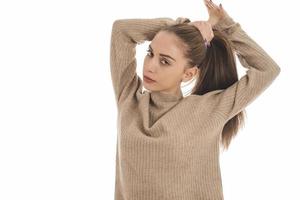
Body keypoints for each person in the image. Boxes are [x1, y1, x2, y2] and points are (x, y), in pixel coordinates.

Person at [109, 0, 281, 199]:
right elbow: (121, 30)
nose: (150, 66)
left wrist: (227, 27)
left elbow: (268, 69)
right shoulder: (128, 99)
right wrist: (180, 27)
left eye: (165, 61)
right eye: (150, 53)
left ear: (189, 74)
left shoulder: (209, 110)